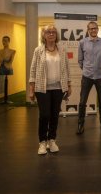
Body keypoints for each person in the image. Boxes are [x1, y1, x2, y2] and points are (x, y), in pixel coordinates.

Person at [29, 25, 72, 155]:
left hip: (58, 88)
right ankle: (42, 142)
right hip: (42, 88)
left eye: (53, 32)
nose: (51, 34)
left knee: (54, 115)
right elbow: (33, 70)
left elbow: (66, 68)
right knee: (45, 115)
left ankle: (52, 140)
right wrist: (31, 89)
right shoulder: (38, 51)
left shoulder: (62, 50)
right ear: (44, 35)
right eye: (48, 32)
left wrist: (69, 85)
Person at [76, 21, 101, 135]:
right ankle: (80, 124)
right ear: (88, 30)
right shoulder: (82, 42)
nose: (93, 30)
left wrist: (98, 67)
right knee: (82, 102)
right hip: (87, 76)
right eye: (91, 29)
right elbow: (80, 60)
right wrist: (87, 69)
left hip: (100, 76)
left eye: (95, 28)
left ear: (97, 29)